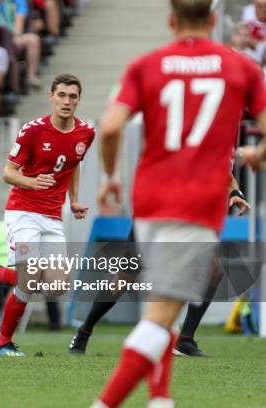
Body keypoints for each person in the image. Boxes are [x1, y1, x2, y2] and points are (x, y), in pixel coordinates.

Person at [93, 1, 266, 406]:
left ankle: (160, 399)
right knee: (160, 317)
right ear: (211, 20)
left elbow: (113, 125)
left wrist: (111, 177)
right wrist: (257, 154)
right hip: (196, 203)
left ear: (171, 20)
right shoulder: (242, 68)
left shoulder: (146, 64)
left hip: (150, 198)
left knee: (162, 302)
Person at [0, 74, 94, 356]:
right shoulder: (33, 131)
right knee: (29, 280)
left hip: (52, 217)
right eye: (61, 95)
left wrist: (73, 200)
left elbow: (73, 165)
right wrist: (32, 182)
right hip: (23, 212)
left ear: (78, 100)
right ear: (51, 96)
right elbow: (8, 173)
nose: (66, 101)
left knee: (57, 285)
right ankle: (3, 342)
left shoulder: (85, 133)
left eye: (72, 96)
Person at [68, 176, 250, 357]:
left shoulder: (218, 151)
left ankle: (185, 339)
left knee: (213, 271)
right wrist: (111, 177)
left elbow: (226, 174)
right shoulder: (176, 154)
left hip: (188, 215)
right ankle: (84, 331)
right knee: (123, 280)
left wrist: (235, 192)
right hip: (155, 212)